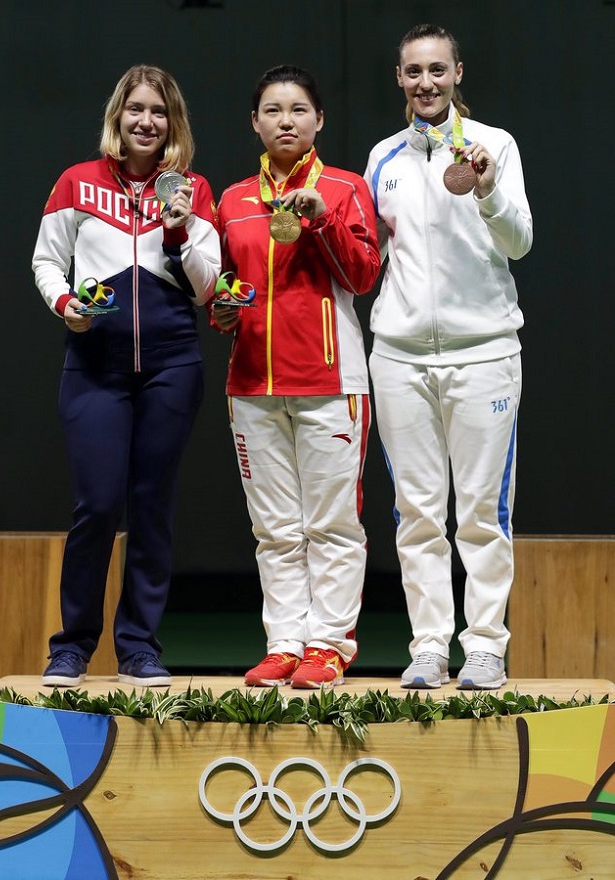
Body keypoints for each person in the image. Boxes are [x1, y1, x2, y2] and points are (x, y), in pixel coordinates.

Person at [32, 64, 220, 688]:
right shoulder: (77, 183)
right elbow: (46, 261)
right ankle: (73, 646)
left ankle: (138, 646)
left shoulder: (193, 190)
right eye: (136, 109)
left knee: (151, 506)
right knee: (98, 504)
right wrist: (67, 307)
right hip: (93, 368)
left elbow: (207, 291)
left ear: (174, 124)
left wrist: (178, 226)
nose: (147, 121)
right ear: (117, 117)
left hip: (172, 365)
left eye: (159, 112)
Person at [364, 24, 532, 690]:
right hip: (400, 356)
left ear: (458, 72)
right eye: (413, 72)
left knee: (483, 510)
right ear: (399, 79)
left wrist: (488, 189)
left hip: (485, 351)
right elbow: (367, 257)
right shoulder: (383, 159)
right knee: (416, 510)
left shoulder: (495, 144)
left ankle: (485, 644)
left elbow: (519, 242)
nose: (426, 83)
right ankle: (430, 645)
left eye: (437, 70)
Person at [213, 65, 380, 689]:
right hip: (252, 385)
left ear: (319, 121)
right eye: (274, 111)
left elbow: (364, 276)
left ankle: (329, 645)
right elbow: (228, 292)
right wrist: (222, 311)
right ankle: (284, 642)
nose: (287, 120)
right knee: (274, 528)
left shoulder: (344, 187)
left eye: (299, 110)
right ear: (255, 123)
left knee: (332, 523)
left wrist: (320, 219)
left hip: (332, 382)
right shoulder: (232, 201)